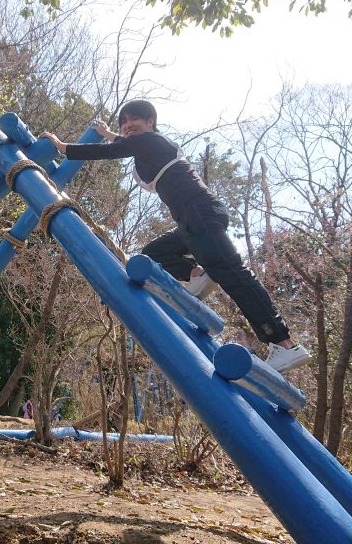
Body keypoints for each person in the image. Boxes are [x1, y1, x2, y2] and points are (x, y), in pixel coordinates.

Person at [41, 100, 311, 373]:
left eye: (134, 119)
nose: (127, 125)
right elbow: (123, 142)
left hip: (199, 213)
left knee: (233, 274)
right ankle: (197, 274)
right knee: (153, 254)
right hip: (192, 218)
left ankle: (283, 343)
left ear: (150, 123)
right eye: (123, 122)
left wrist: (63, 148)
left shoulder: (151, 141)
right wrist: (108, 132)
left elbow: (116, 149)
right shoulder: (147, 146)